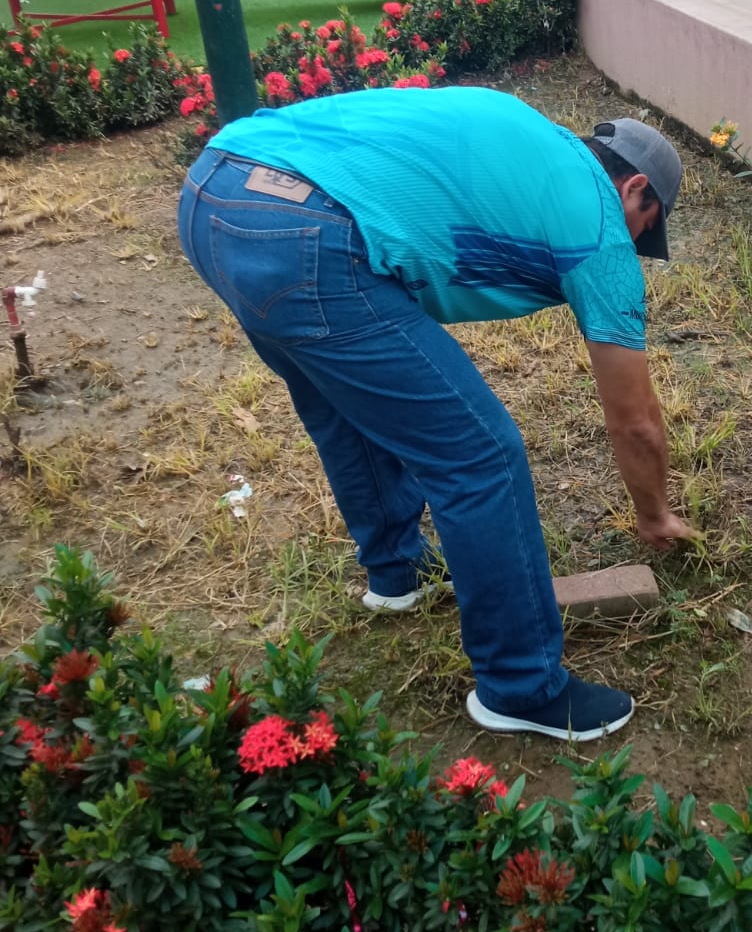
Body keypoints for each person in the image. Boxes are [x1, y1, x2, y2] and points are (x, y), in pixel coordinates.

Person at [177, 85, 696, 742]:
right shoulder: (598, 221)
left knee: (344, 405)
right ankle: (521, 686)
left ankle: (398, 572)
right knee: (480, 457)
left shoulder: (532, 145)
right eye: (645, 229)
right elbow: (636, 420)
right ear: (635, 189)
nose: (635, 247)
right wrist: (654, 513)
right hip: (305, 234)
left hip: (213, 190)